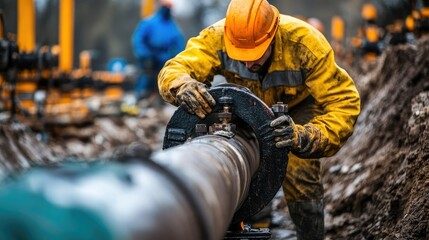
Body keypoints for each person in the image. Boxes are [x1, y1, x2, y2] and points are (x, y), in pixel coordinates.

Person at [158, 0, 361, 239]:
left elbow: (344, 102)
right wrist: (182, 85)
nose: (247, 63)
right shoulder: (216, 37)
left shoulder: (305, 44)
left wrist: (305, 136)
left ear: (273, 35)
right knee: (249, 159)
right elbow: (174, 69)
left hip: (297, 110)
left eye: (254, 54)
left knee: (300, 173)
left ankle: (310, 234)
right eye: (240, 55)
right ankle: (257, 218)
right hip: (247, 108)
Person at [131, 0, 185, 102]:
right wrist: (144, 55)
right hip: (149, 56)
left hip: (163, 58)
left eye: (169, 7)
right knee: (145, 76)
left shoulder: (173, 26)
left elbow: (179, 44)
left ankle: (160, 101)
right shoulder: (149, 22)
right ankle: (140, 97)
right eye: (165, 6)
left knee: (163, 79)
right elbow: (138, 39)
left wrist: (175, 58)